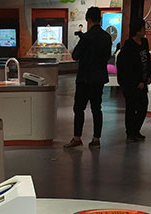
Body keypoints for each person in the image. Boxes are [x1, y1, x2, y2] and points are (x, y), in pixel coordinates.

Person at [64, 7, 112, 150]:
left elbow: (75, 56)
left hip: (84, 78)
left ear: (88, 19)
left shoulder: (86, 37)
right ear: (100, 19)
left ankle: (77, 138)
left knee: (79, 108)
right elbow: (107, 56)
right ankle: (96, 139)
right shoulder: (106, 37)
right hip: (99, 78)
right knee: (97, 109)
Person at [116, 18, 151, 142]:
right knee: (131, 108)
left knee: (143, 106)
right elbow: (127, 68)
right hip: (131, 85)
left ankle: (136, 130)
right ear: (137, 31)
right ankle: (130, 132)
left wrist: (148, 76)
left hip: (143, 82)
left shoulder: (144, 43)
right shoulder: (129, 47)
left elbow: (147, 60)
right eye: (143, 29)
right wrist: (137, 82)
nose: (145, 31)